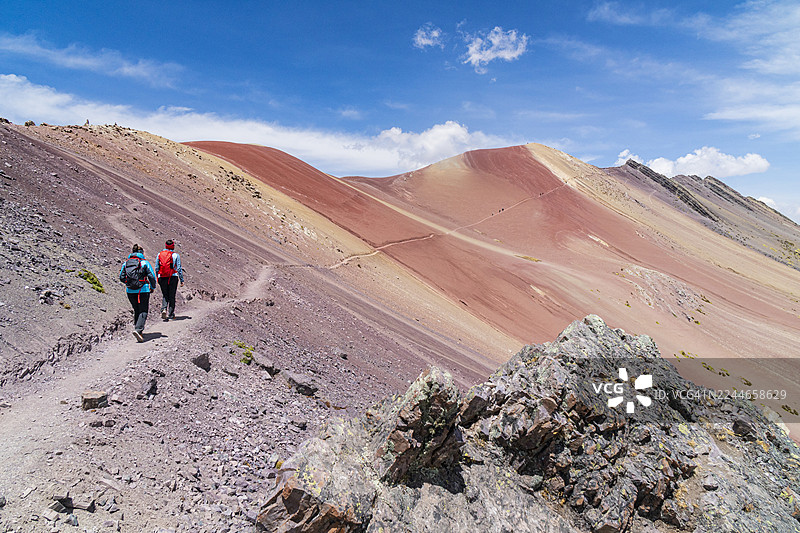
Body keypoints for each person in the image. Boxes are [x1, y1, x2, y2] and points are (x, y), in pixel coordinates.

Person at [119, 244, 157, 342]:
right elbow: (152, 276)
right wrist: (152, 287)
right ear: (142, 253)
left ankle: (138, 329)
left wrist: (130, 284)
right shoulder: (144, 263)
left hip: (130, 291)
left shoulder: (126, 263)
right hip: (143, 290)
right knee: (143, 310)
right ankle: (138, 329)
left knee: (136, 309)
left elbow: (121, 277)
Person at [156, 239, 184, 321]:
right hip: (173, 277)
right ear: (172, 246)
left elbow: (157, 267)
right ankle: (171, 314)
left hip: (162, 277)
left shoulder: (159, 254)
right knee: (172, 295)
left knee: (165, 294)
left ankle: (164, 309)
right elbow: (179, 268)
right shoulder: (175, 255)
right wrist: (181, 279)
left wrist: (158, 277)